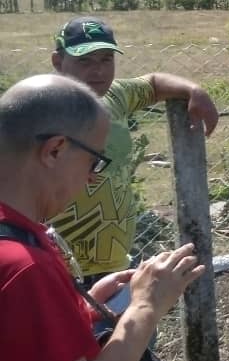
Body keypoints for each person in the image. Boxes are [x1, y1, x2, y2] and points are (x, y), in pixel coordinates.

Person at [0, 74, 204, 361]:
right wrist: (145, 307)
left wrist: (84, 311)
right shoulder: (23, 267)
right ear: (55, 150)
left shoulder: (17, 237)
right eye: (95, 161)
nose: (93, 177)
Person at [47, 16, 219, 291]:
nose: (98, 71)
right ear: (58, 62)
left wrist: (193, 90)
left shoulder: (115, 96)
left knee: (130, 331)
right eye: (85, 61)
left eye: (106, 59)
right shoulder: (38, 111)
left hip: (116, 264)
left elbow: (152, 83)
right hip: (60, 271)